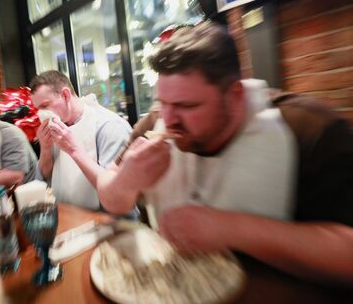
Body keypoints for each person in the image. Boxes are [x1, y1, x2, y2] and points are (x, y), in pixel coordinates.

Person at [97, 21, 353, 283]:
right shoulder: (154, 123)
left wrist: (231, 229)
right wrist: (126, 180)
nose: (169, 119)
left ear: (234, 95)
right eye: (164, 102)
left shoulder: (309, 129)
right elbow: (108, 194)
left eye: (187, 105)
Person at [30, 70, 132, 211]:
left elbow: (116, 191)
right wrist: (46, 149)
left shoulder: (110, 126)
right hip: (66, 214)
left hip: (108, 220)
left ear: (65, 95)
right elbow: (43, 178)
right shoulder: (56, 125)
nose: (40, 113)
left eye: (45, 106)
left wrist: (73, 149)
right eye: (37, 109)